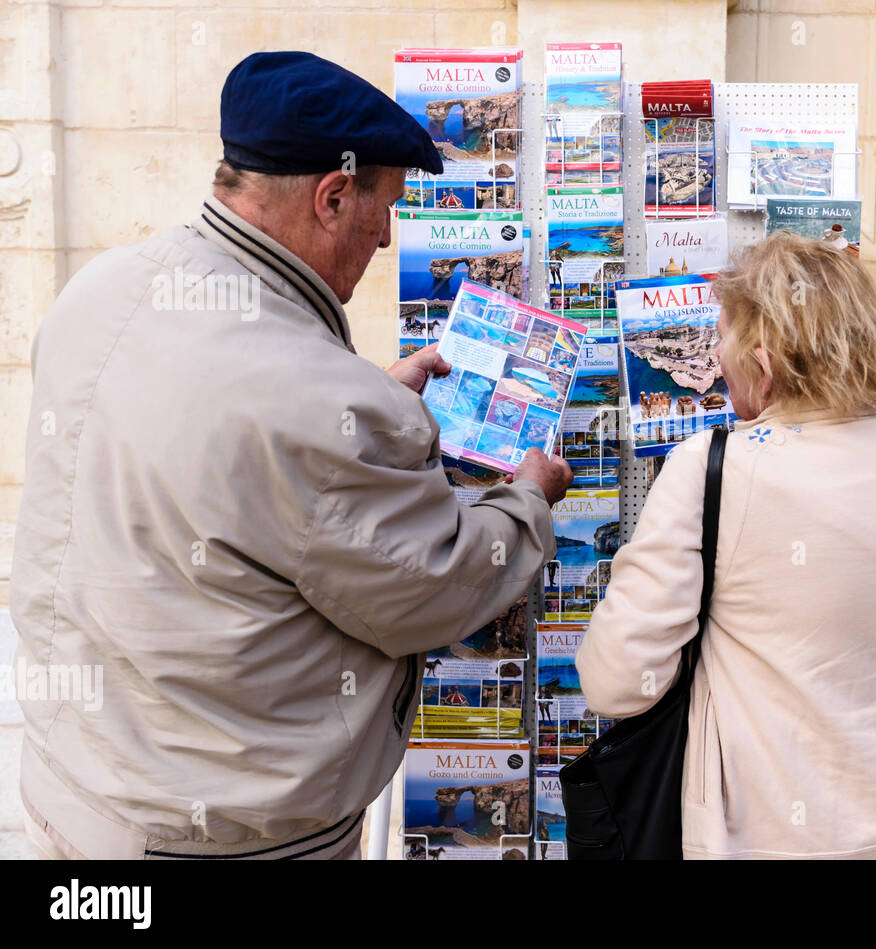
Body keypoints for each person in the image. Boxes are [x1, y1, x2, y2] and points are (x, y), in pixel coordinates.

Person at [12, 51, 571, 860]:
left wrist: (361, 414)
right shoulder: (314, 401)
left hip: (70, 789)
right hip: (213, 835)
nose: (387, 234)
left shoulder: (105, 285)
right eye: (385, 207)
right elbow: (436, 586)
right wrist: (525, 497)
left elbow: (227, 447)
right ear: (333, 197)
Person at [575, 234, 876, 859]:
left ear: (765, 364)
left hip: (773, 829)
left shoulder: (711, 468)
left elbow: (616, 683)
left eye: (721, 337)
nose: (715, 357)